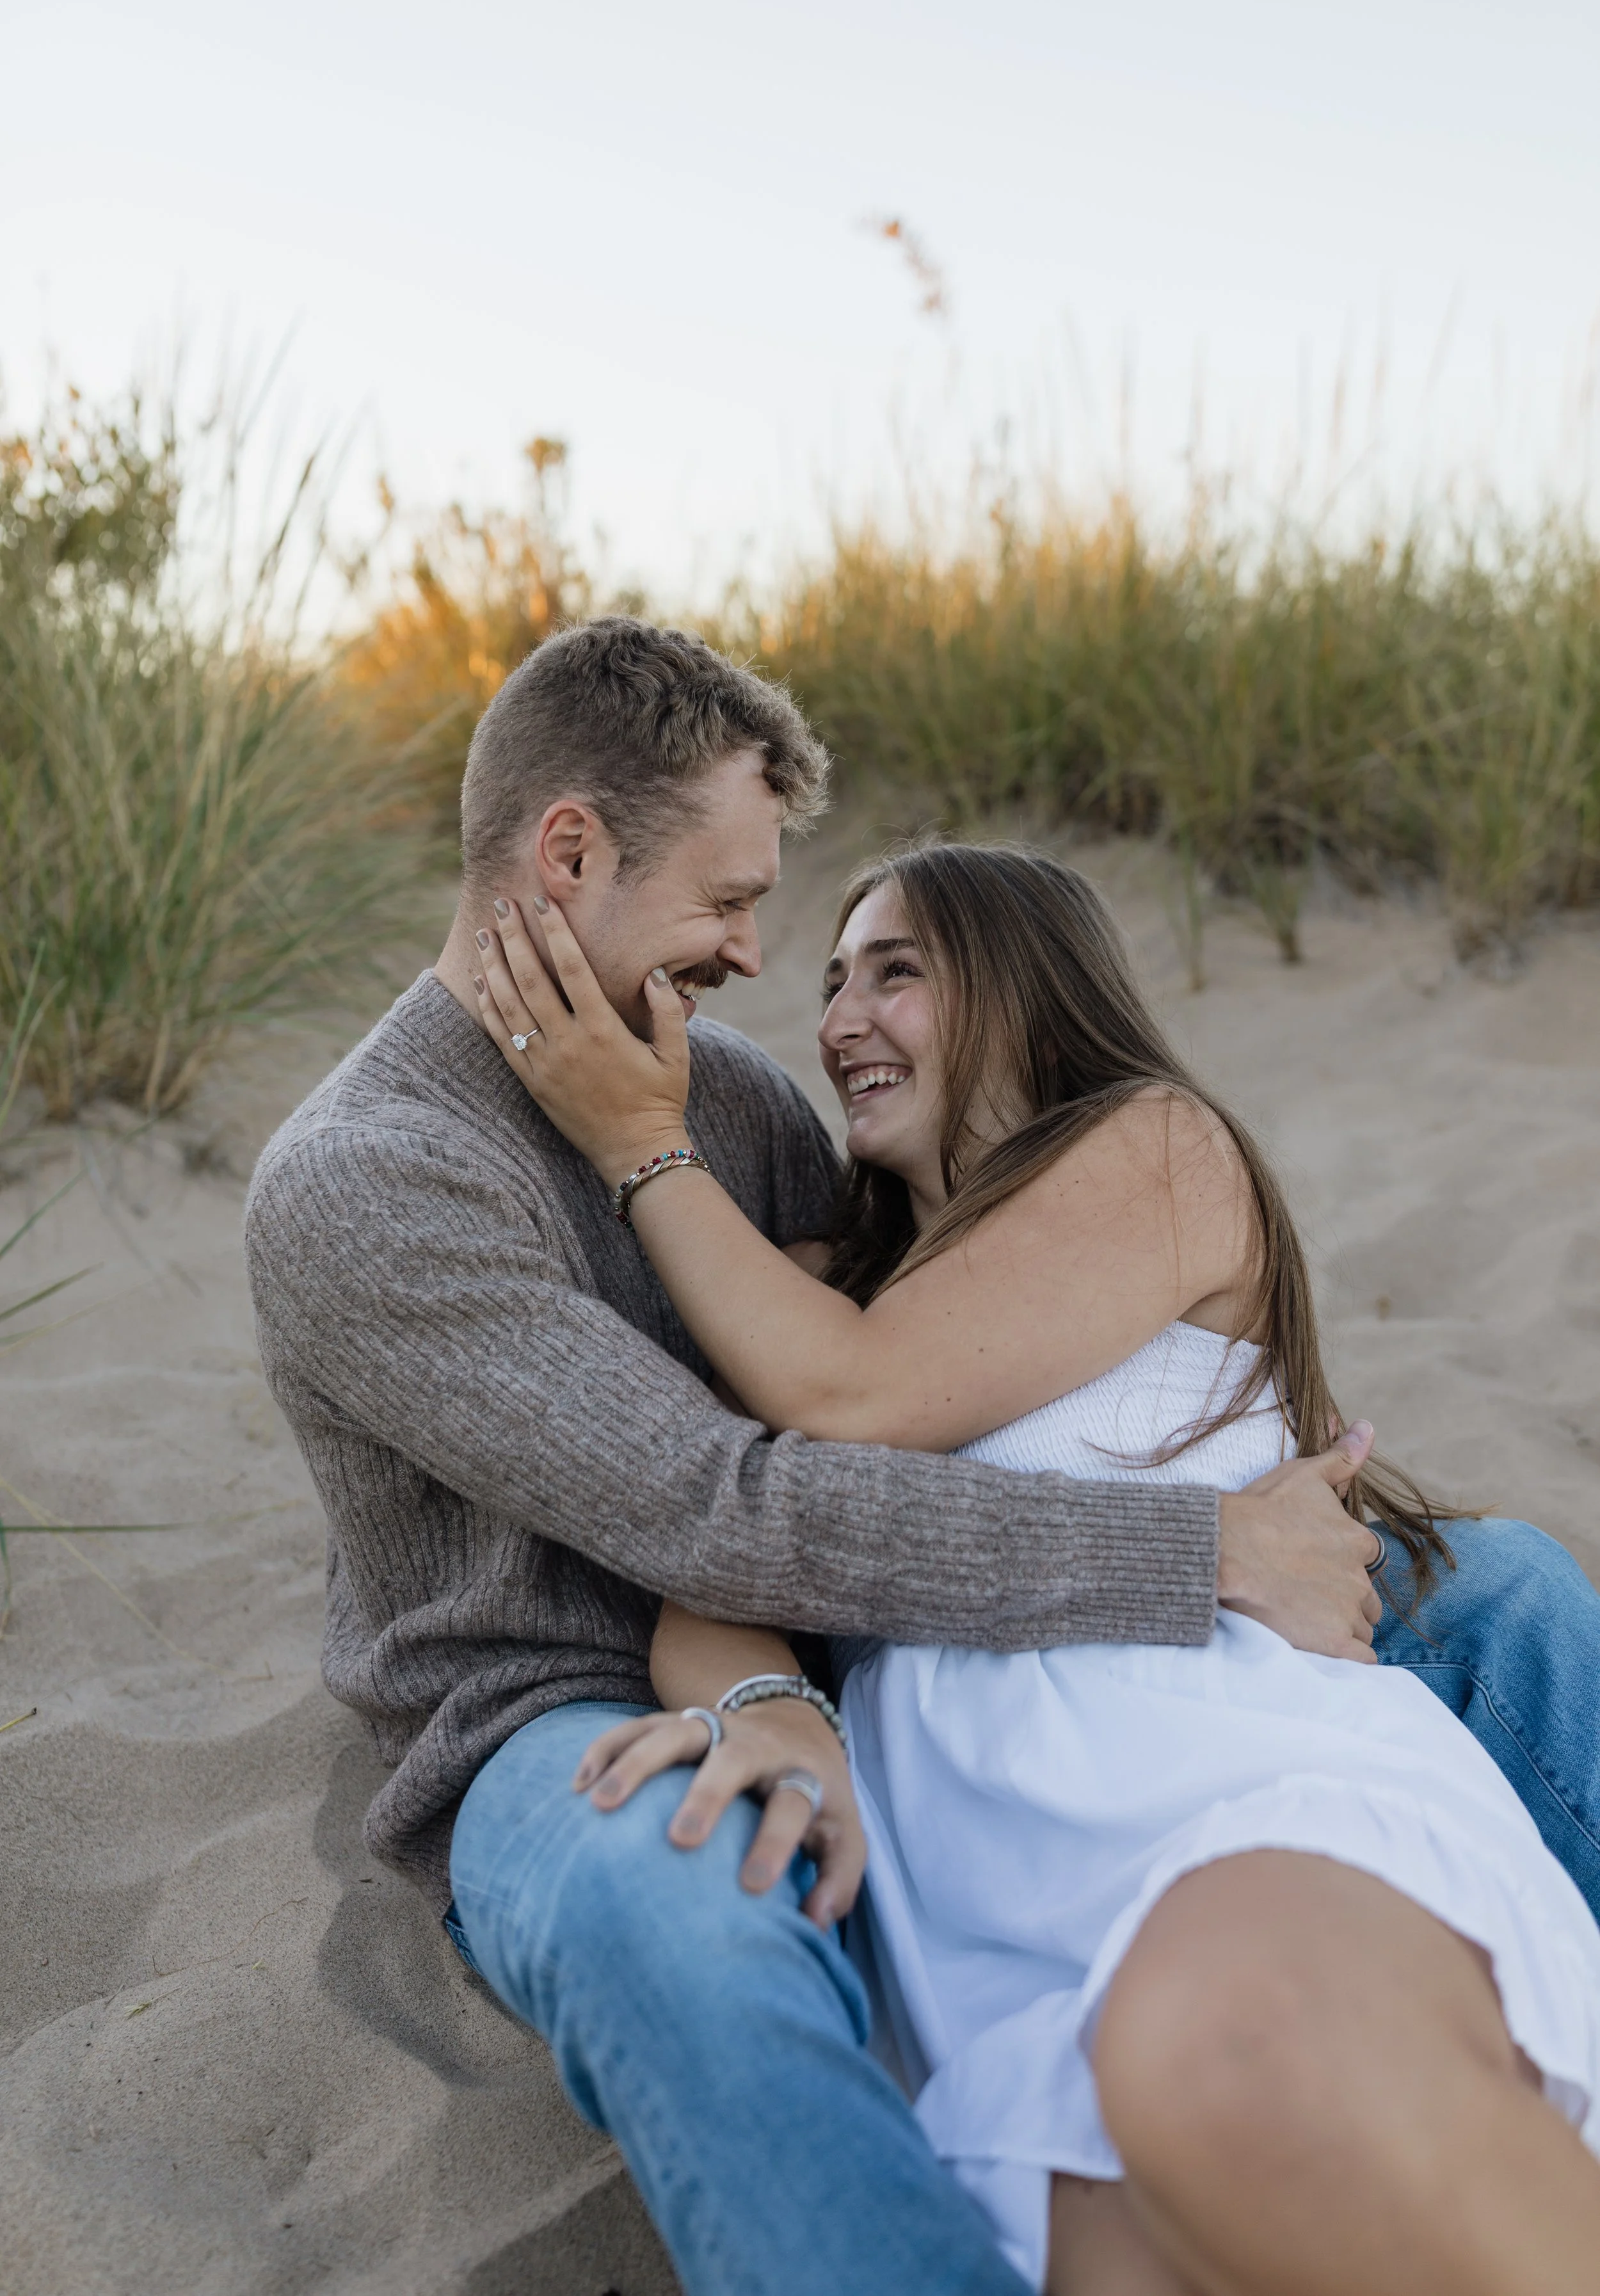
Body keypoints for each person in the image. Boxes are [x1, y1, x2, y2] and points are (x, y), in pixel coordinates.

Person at [244, 617, 1600, 2296]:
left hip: (887, 1618)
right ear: (569, 851)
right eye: (737, 906)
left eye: (847, 951)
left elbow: (886, 1361)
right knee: (685, 1918)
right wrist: (1189, 1555)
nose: (763, 968)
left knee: (1512, 1588)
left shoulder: (728, 1097)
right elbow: (728, 1503)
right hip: (565, 1702)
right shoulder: (366, 1181)